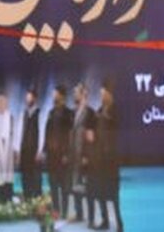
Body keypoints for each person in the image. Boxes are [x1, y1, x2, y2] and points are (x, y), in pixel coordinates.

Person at [90, 83, 124, 230]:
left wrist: (106, 116)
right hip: (99, 161)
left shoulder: (115, 110)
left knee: (114, 196)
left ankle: (119, 224)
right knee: (100, 193)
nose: (102, 97)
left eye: (104, 94)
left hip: (111, 161)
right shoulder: (98, 111)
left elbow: (117, 127)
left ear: (110, 95)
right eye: (101, 94)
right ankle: (105, 221)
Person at [45, 83, 74, 220]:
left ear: (61, 96)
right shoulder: (51, 113)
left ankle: (65, 210)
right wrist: (45, 150)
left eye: (55, 94)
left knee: (64, 185)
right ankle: (56, 210)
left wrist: (67, 153)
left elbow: (70, 135)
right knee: (53, 185)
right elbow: (47, 133)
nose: (53, 96)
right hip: (51, 156)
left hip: (63, 156)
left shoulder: (69, 113)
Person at [69, 82, 96, 224]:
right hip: (74, 155)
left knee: (88, 187)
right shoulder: (73, 112)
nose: (74, 95)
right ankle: (79, 213)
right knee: (75, 185)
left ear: (83, 94)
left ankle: (91, 218)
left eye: (76, 93)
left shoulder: (90, 113)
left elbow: (91, 137)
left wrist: (87, 155)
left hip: (85, 157)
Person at [17, 88, 45, 200]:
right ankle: (27, 197)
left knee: (36, 176)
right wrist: (18, 151)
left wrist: (40, 151)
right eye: (27, 97)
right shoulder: (23, 113)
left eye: (30, 97)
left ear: (35, 98)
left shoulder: (40, 113)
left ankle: (37, 199)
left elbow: (42, 132)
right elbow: (20, 132)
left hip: (35, 150)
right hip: (24, 150)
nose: (28, 99)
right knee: (25, 175)